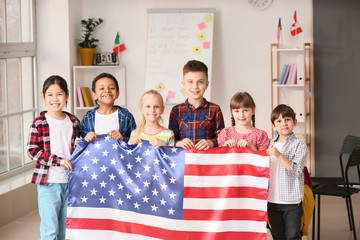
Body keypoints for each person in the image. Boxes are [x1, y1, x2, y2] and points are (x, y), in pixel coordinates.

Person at [27, 75, 80, 240]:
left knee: (65, 230)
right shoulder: (39, 122)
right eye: (50, 94)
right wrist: (59, 161)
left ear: (67, 96)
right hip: (48, 183)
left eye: (59, 94)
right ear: (44, 97)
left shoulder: (73, 121)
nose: (55, 99)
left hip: (70, 183)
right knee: (50, 230)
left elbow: (77, 150)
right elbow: (32, 151)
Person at [266, 104, 308, 240]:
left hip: (291, 201)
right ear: (273, 126)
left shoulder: (299, 145)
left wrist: (280, 155)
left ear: (295, 122)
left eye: (287, 119)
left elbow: (296, 171)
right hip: (272, 200)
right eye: (278, 121)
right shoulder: (270, 144)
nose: (283, 123)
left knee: (293, 236)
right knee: (278, 236)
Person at [169, 60, 225, 150]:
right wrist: (179, 143)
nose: (195, 86)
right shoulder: (176, 111)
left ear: (207, 84)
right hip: (184, 160)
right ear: (183, 84)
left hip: (207, 160)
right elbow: (170, 140)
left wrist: (210, 143)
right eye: (190, 82)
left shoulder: (215, 109)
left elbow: (222, 139)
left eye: (200, 82)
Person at [80, 72, 136, 142]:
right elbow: (81, 143)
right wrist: (86, 139)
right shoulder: (88, 117)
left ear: (117, 93)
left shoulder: (126, 116)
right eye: (101, 88)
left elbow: (135, 142)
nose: (107, 91)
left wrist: (122, 138)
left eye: (111, 88)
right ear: (94, 95)